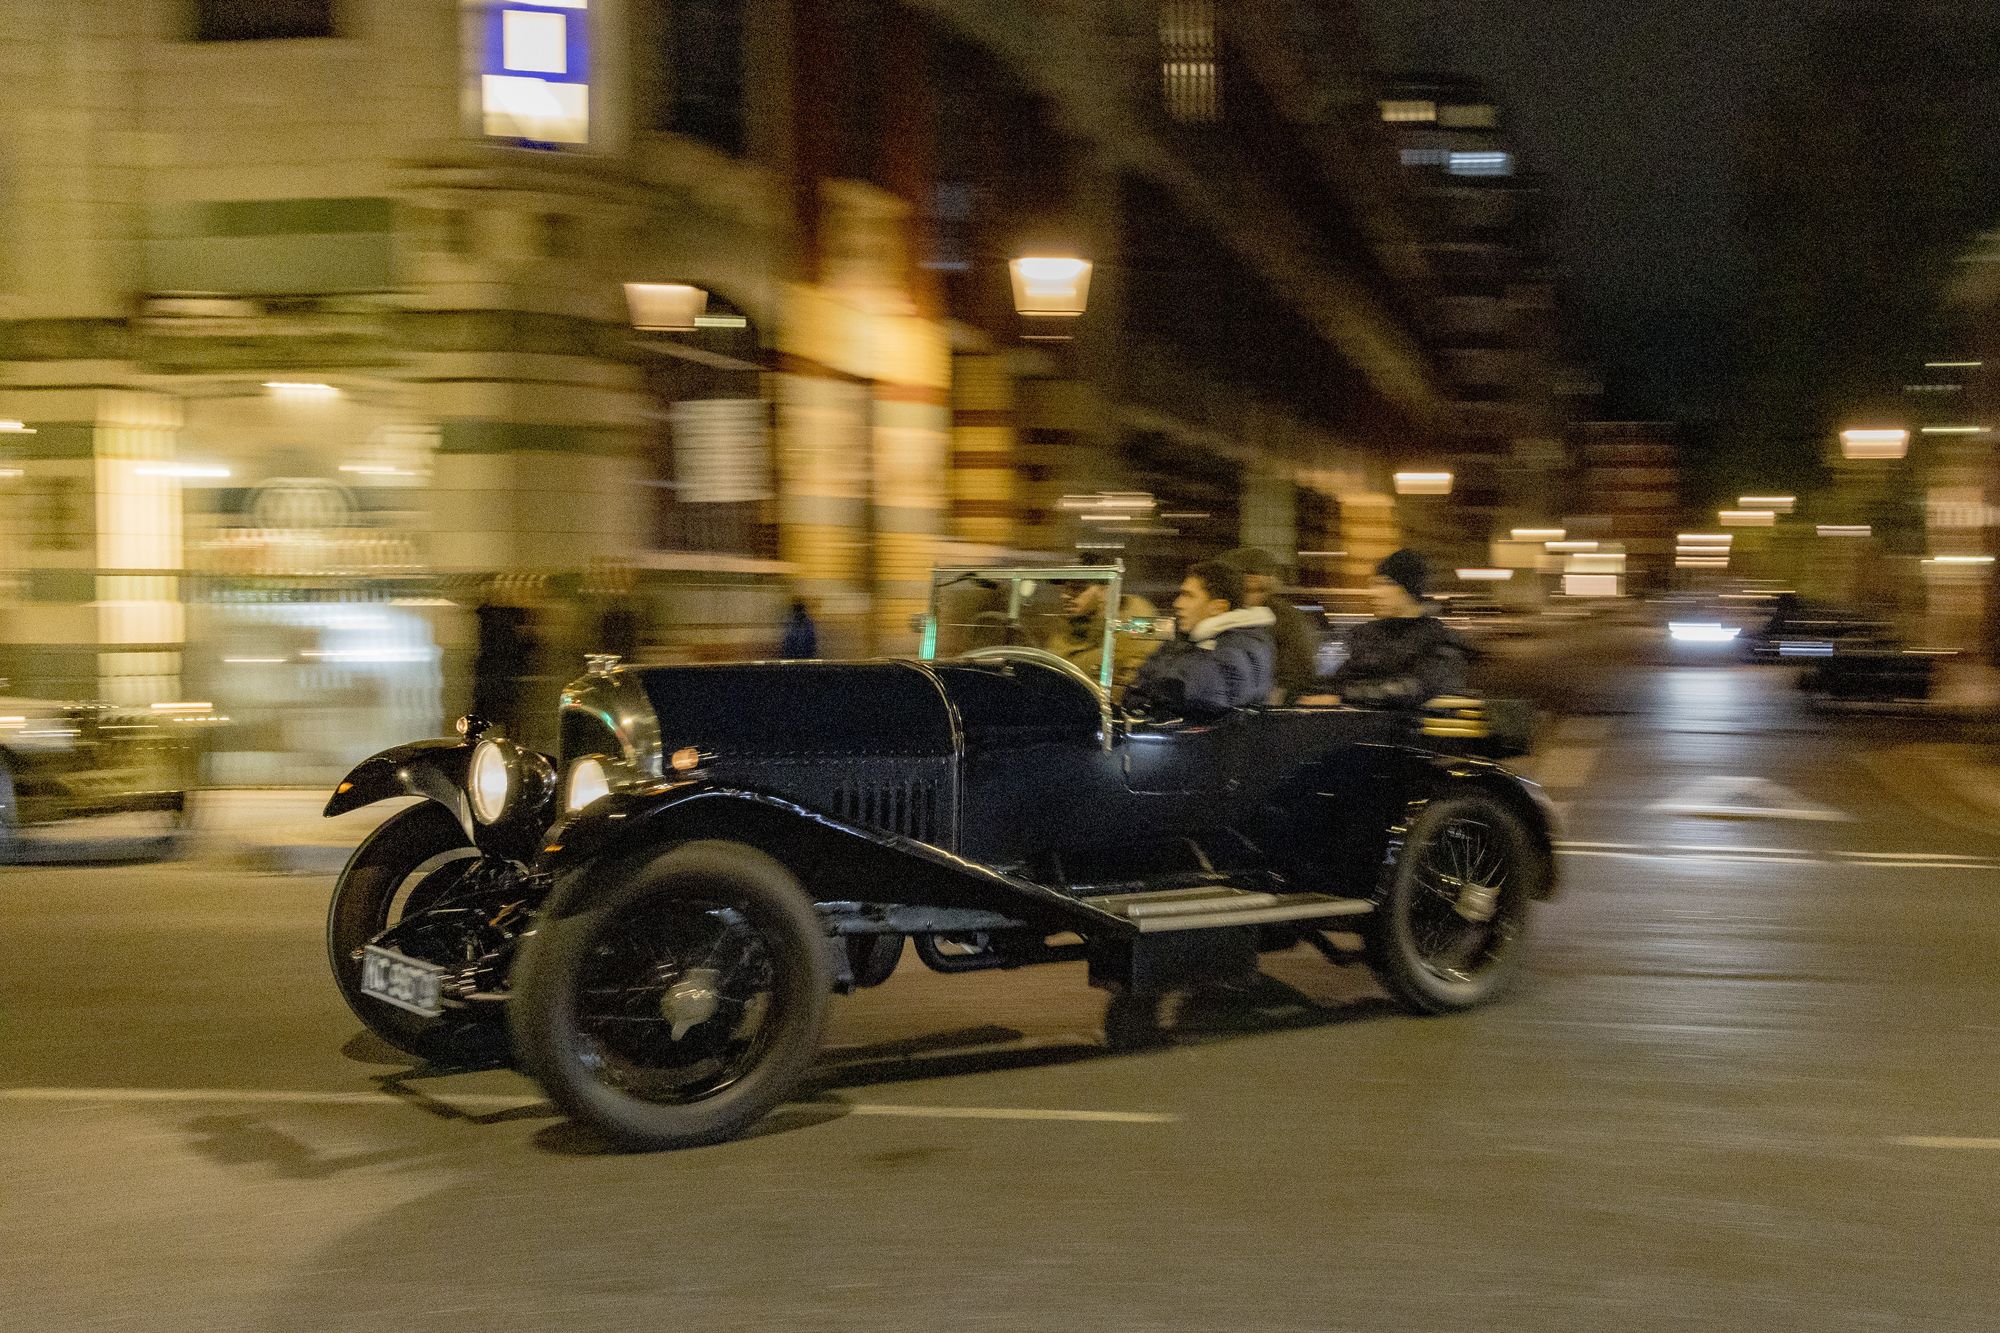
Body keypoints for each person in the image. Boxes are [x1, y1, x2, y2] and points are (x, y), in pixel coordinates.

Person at [1301, 548, 1470, 708]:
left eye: (1386, 583)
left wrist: (1346, 695)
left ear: (1409, 589)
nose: (1374, 592)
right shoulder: (1365, 635)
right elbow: (1336, 681)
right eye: (1374, 584)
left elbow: (1416, 688)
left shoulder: (1441, 639)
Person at [1126, 559, 1276, 716]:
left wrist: (1148, 696)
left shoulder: (1243, 645)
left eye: (1188, 596)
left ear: (1218, 607)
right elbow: (1139, 686)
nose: (1177, 603)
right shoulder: (1185, 641)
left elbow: (1187, 692)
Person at [1045, 560, 1163, 697]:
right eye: (1064, 588)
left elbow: (1137, 674)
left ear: (1105, 591)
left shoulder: (1136, 620)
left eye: (1077, 588)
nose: (1064, 595)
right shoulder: (1069, 628)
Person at [1220, 546, 1319, 703]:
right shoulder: (1217, 614)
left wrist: (1281, 693)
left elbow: (1299, 670)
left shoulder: (1286, 619)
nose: (1252, 598)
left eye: (1259, 590)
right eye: (1246, 590)